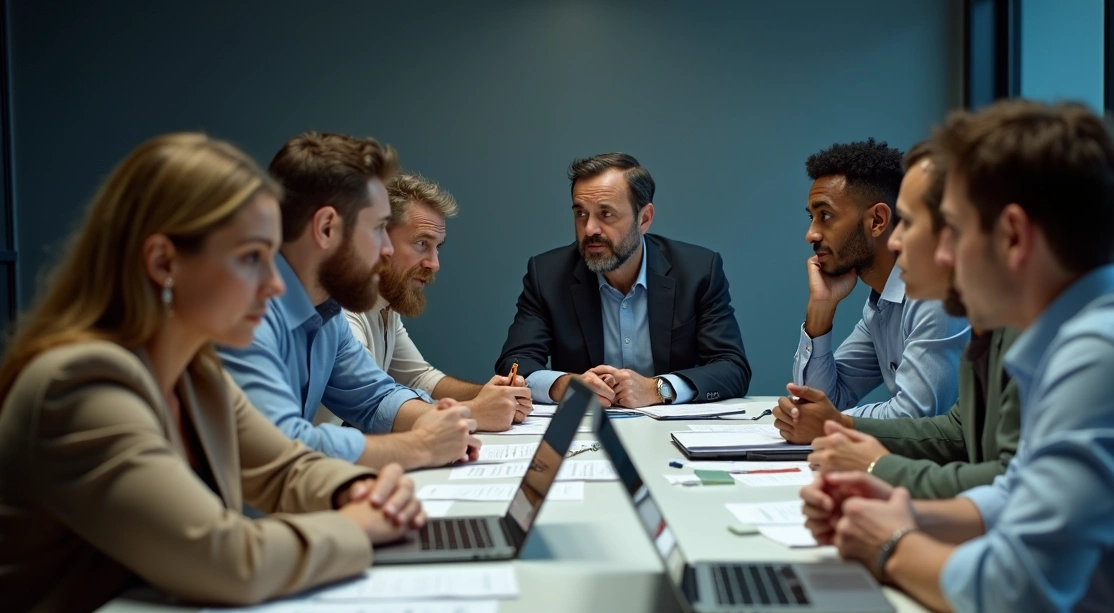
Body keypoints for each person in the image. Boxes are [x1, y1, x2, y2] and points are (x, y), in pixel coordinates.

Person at [802, 100, 1114, 613]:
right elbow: (1018, 490)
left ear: (1014, 237)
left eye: (951, 227)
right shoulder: (1083, 335)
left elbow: (1015, 593)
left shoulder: (1108, 356)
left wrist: (888, 544)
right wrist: (908, 511)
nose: (928, 251)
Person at [0, 134, 438, 613]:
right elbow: (229, 559)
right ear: (164, 263)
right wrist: (360, 524)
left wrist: (356, 490)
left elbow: (284, 467)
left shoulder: (195, 372)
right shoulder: (81, 384)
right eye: (251, 258)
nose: (276, 285)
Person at [219, 133, 480, 469]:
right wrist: (421, 445)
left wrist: (438, 421)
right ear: (326, 228)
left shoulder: (326, 313)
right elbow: (283, 444)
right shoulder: (246, 313)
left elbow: (376, 397)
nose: (387, 249)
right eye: (378, 229)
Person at [776, 143, 1020, 499]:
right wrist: (821, 309)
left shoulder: (949, 304)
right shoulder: (888, 305)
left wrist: (846, 435)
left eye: (912, 222)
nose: (898, 239)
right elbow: (957, 433)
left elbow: (1013, 482)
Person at [496, 152, 750, 408]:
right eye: (581, 213)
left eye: (606, 214)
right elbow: (515, 362)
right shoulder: (548, 275)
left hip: (670, 427)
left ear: (644, 219)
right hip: (587, 425)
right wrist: (564, 385)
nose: (589, 229)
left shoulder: (697, 271)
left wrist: (657, 389)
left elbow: (732, 367)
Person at [315, 172, 532, 430]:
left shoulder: (385, 305)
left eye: (437, 247)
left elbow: (419, 378)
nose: (434, 263)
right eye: (421, 243)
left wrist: (492, 396)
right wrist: (473, 411)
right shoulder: (340, 309)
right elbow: (372, 405)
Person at [792, 139, 969, 420]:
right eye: (812, 218)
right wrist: (820, 310)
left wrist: (833, 421)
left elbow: (916, 415)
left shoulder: (933, 298)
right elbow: (820, 401)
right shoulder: (880, 306)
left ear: (877, 221)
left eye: (825, 215)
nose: (811, 234)